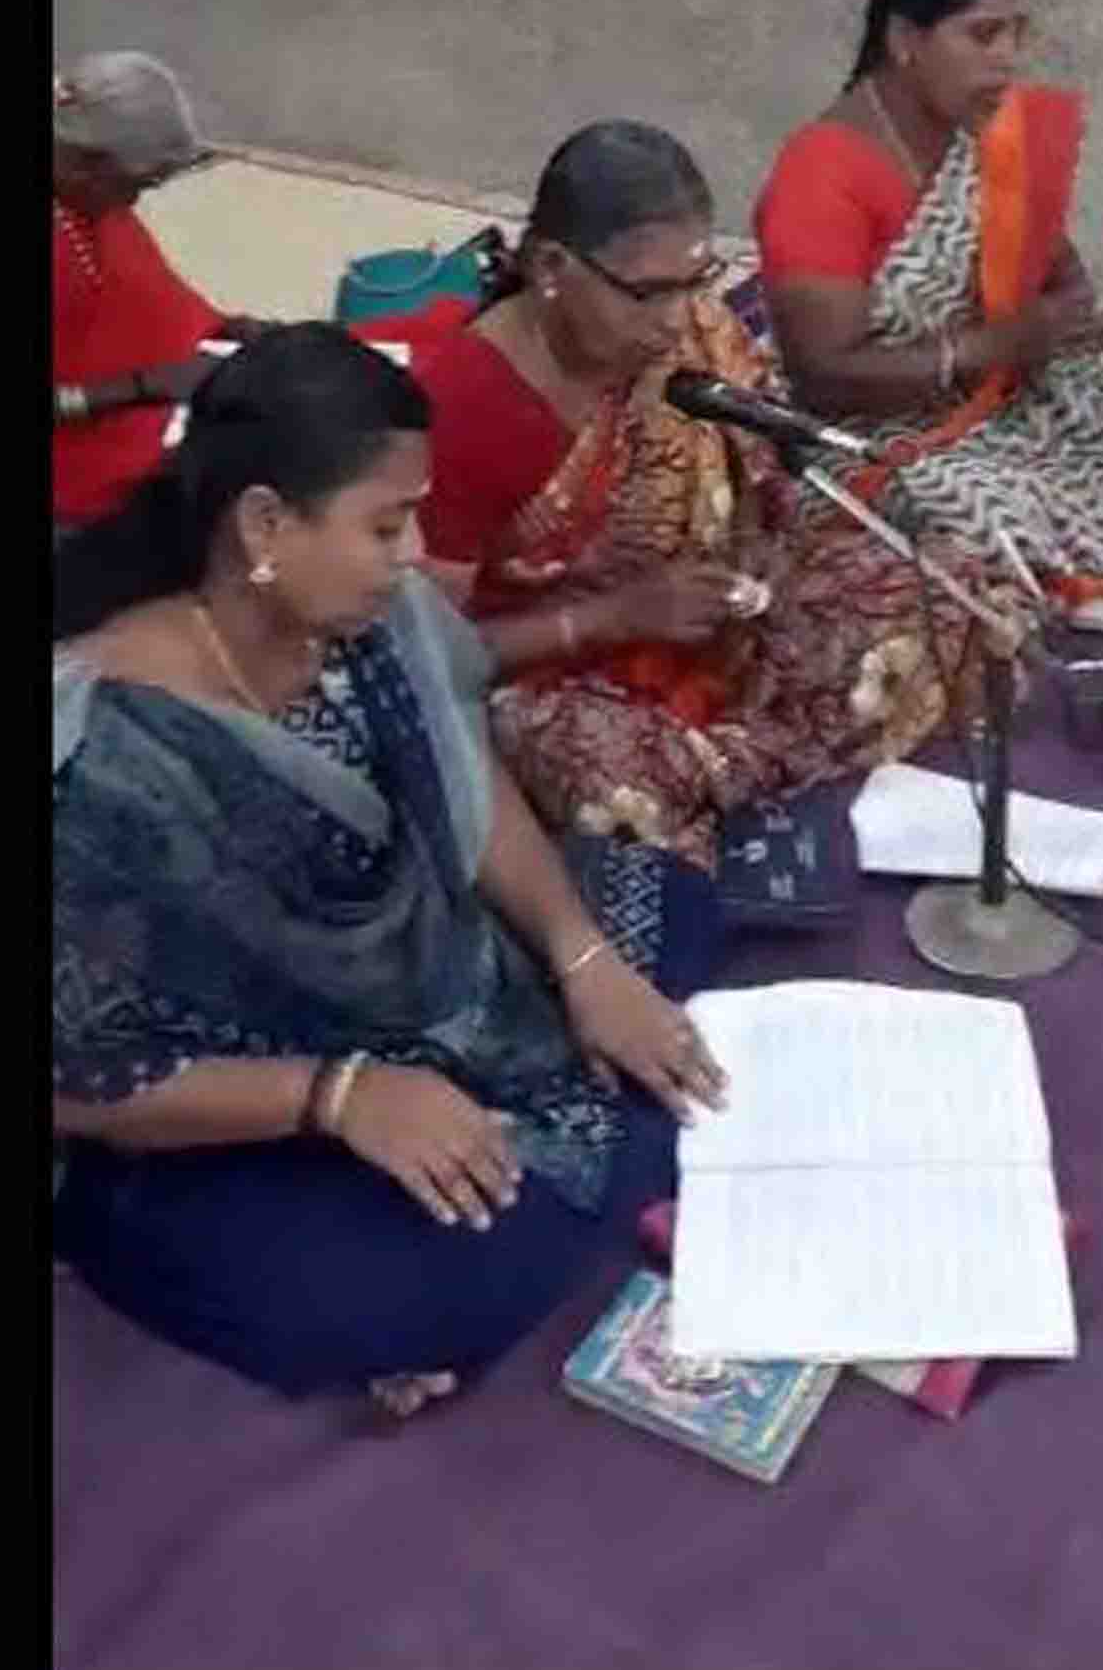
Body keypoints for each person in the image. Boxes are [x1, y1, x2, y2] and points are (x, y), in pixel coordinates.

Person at [52, 324, 731, 1417]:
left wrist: (583, 957)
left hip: (431, 978)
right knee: (412, 1284)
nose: (414, 551)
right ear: (265, 525)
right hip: (216, 1091)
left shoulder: (363, 606)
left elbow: (464, 780)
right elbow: (77, 1073)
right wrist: (341, 1095)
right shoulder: (106, 752)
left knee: (669, 910)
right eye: (386, 524)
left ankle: (532, 1123)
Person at [404, 122, 1005, 874]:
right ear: (552, 267)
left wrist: (754, 574)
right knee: (612, 785)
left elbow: (767, 493)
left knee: (948, 588)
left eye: (698, 279)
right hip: (554, 675)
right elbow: (426, 651)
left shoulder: (685, 331)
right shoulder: (464, 405)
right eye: (648, 293)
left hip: (707, 618)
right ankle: (728, 780)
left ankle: (725, 776)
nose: (675, 316)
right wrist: (616, 615)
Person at [752, 0, 1103, 584]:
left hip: (1005, 397)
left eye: (1017, 33)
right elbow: (823, 376)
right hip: (876, 433)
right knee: (983, 519)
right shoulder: (821, 173)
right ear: (905, 39)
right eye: (984, 34)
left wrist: (1075, 320)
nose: (1008, 56)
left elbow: (1061, 278)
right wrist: (993, 346)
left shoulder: (979, 140)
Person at [52, 50, 250, 527]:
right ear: (85, 163)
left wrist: (225, 326)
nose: (135, 200)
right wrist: (143, 387)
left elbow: (145, 292)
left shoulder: (87, 200)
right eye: (136, 184)